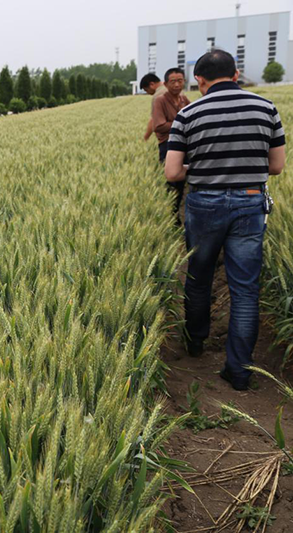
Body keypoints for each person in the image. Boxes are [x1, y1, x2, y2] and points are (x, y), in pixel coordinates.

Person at [165, 49, 286, 391]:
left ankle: (195, 343)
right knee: (245, 289)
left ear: (199, 80)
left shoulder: (188, 113)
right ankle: (240, 371)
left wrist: (201, 167)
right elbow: (276, 166)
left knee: (199, 276)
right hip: (250, 201)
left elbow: (173, 172)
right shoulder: (266, 108)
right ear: (236, 75)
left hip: (205, 203)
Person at [154, 68, 191, 216]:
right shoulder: (160, 101)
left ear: (184, 81)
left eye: (180, 81)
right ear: (165, 84)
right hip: (168, 146)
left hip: (184, 146)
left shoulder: (184, 100)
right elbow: (159, 126)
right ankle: (169, 215)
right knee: (171, 184)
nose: (177, 84)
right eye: (173, 81)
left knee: (181, 183)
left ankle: (176, 215)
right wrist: (182, 125)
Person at [139, 73, 165, 141]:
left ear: (152, 84)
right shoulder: (172, 88)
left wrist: (145, 138)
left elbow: (154, 120)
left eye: (146, 90)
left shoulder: (158, 96)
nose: (147, 93)